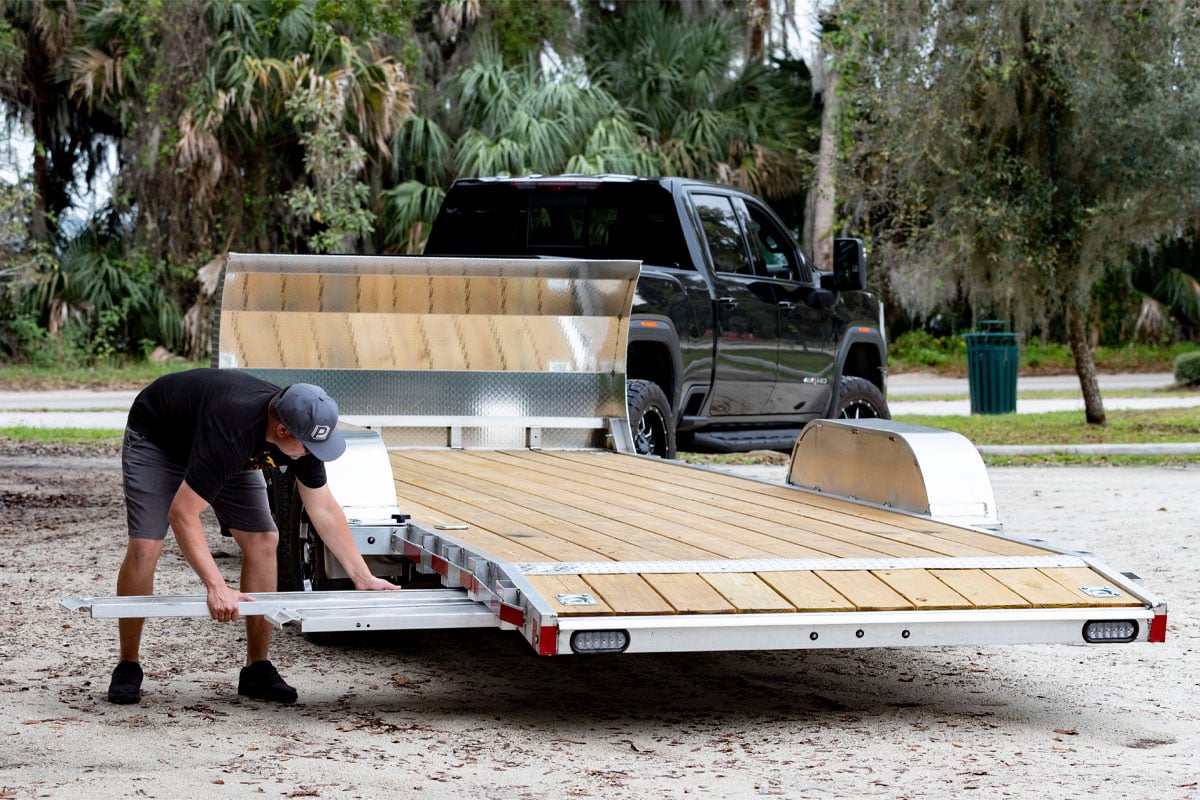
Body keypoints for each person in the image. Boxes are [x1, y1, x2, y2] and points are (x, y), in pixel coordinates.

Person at [107, 368, 400, 705]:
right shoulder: (234, 430)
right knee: (146, 546)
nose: (313, 452)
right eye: (308, 445)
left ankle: (257, 669)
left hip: (225, 451)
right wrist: (216, 585)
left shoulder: (301, 436)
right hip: (160, 439)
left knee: (263, 539)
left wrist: (362, 577)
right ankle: (128, 665)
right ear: (281, 429)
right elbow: (182, 513)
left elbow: (324, 509)